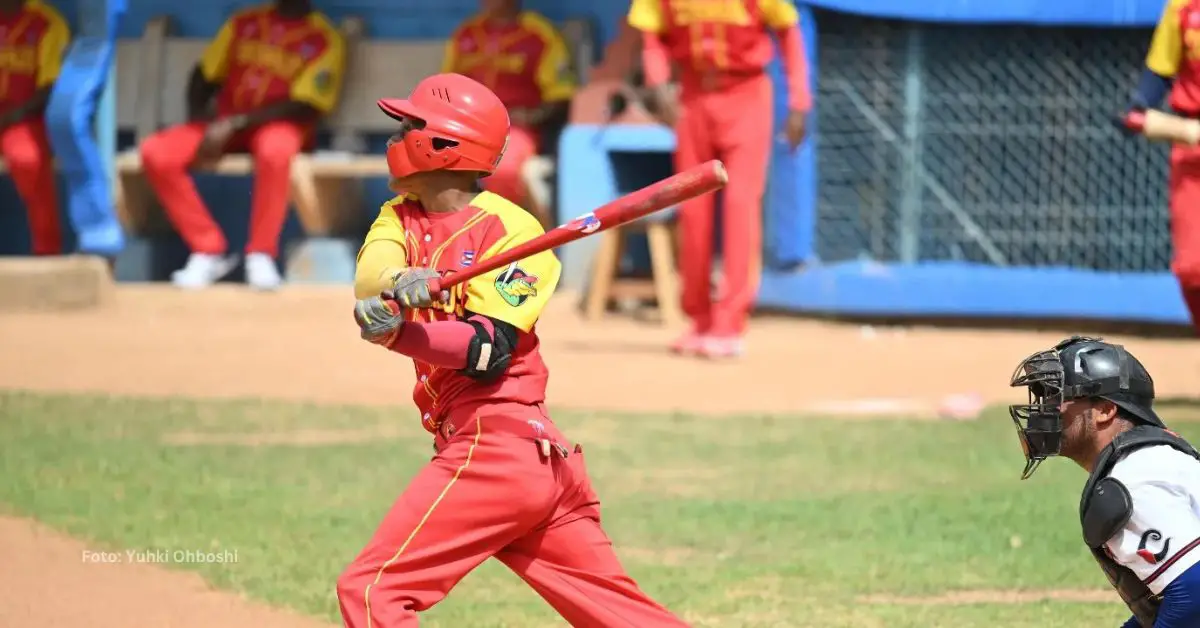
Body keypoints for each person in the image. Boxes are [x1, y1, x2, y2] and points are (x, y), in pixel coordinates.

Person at [337, 72, 687, 628]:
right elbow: (370, 276)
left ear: (443, 144)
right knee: (623, 619)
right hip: (521, 458)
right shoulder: (398, 215)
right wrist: (402, 278)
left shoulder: (515, 235)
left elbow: (487, 353)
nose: (394, 138)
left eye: (407, 127)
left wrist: (399, 332)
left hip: (496, 446)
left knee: (373, 591)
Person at [627, 0, 812, 359]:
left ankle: (729, 321)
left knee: (740, 204)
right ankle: (698, 318)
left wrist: (799, 103)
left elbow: (789, 35)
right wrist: (658, 83)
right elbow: (651, 39)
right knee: (692, 209)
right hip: (693, 95)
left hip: (746, 93)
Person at [139, 0, 344, 290]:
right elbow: (203, 75)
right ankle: (207, 249)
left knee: (276, 152)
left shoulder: (324, 37)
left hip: (279, 125)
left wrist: (235, 124)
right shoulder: (243, 23)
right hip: (225, 124)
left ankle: (261, 253)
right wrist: (201, 121)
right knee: (156, 152)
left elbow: (307, 105)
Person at [1009, 336, 1200, 627]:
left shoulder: (1135, 477)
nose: (1044, 410)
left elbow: (1193, 592)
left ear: (1105, 410)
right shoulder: (1146, 462)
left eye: (1056, 397)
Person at [441, 0, 574, 218]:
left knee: (501, 168)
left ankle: (503, 237)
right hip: (467, 127)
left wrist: (533, 116)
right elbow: (444, 88)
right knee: (423, 159)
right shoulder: (467, 33)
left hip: (514, 127)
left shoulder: (539, 35)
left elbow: (561, 96)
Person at [1121, 0, 1200, 336]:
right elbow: (1162, 68)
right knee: (1192, 269)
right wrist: (1140, 105)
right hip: (1192, 147)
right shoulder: (1183, 7)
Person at [0, 0, 69, 256]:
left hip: (23, 118)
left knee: (28, 160)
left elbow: (48, 87)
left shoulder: (46, 22)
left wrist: (12, 116)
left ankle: (46, 250)